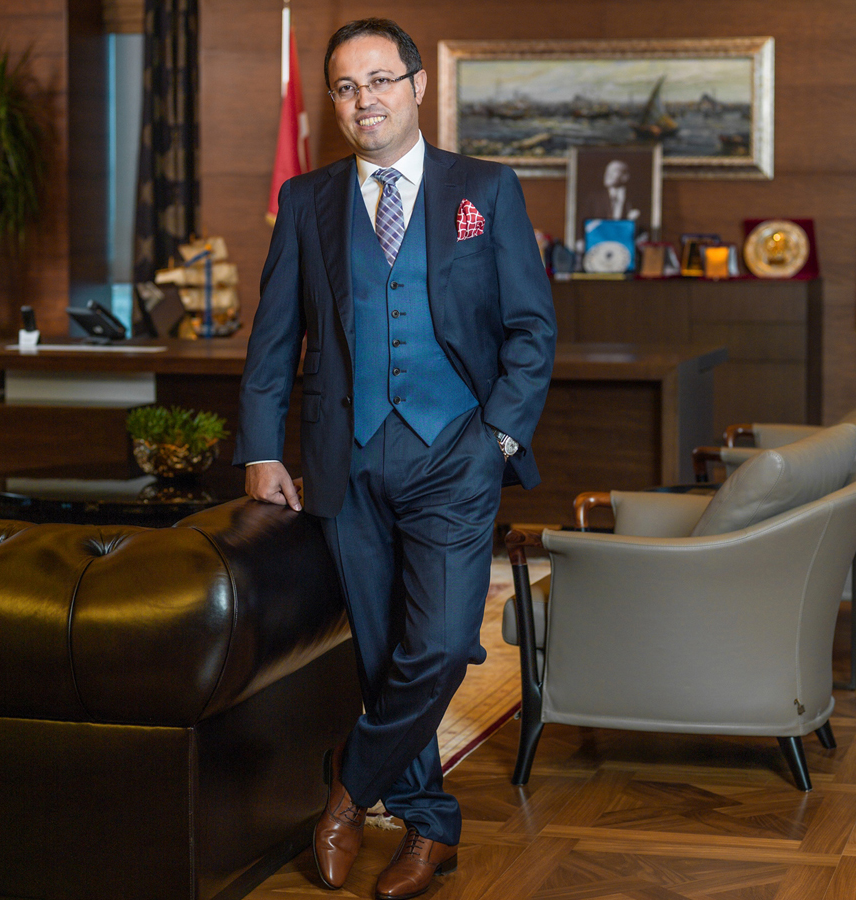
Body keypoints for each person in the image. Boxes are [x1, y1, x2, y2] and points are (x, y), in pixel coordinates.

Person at [233, 17, 556, 899]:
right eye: (346, 87)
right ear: (334, 103)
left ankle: (347, 790)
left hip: (456, 454)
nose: (363, 99)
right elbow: (274, 339)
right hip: (345, 460)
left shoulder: (484, 188)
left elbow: (531, 329)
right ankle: (429, 827)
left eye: (379, 80)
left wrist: (497, 439)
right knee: (381, 656)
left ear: (417, 86)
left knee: (442, 646)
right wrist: (260, 449)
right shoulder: (305, 201)